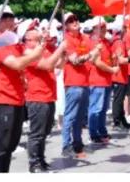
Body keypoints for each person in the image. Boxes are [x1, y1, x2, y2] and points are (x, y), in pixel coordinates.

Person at [0, 6, 45, 173]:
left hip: (16, 99)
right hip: (3, 99)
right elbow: (18, 63)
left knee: (9, 146)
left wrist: (40, 42)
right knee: (1, 148)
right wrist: (37, 52)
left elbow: (30, 56)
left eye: (11, 17)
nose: (9, 20)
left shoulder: (14, 44)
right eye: (4, 17)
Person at [23, 22, 65, 172]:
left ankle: (40, 159)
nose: (40, 40)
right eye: (36, 38)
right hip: (37, 97)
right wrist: (60, 48)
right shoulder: (28, 52)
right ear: (28, 40)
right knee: (37, 133)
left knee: (45, 132)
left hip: (48, 96)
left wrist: (62, 53)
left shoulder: (44, 49)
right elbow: (47, 65)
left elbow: (59, 65)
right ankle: (34, 163)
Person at [60, 10, 99, 158]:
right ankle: (66, 146)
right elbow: (75, 60)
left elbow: (94, 53)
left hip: (84, 83)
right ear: (66, 26)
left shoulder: (84, 38)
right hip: (73, 83)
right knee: (70, 116)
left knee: (80, 117)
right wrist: (91, 54)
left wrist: (97, 47)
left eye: (75, 19)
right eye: (70, 21)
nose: (75, 22)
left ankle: (77, 145)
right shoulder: (67, 40)